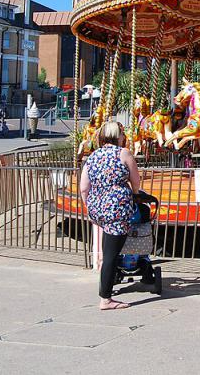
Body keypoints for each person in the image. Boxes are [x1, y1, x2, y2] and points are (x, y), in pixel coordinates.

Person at [79, 121, 140, 310]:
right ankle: (105, 298)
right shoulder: (123, 153)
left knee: (108, 249)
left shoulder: (94, 156)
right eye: (122, 134)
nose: (124, 137)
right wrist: (135, 195)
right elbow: (135, 181)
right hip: (116, 207)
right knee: (111, 254)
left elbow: (83, 187)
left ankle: (107, 289)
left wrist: (89, 205)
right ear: (117, 136)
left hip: (97, 207)